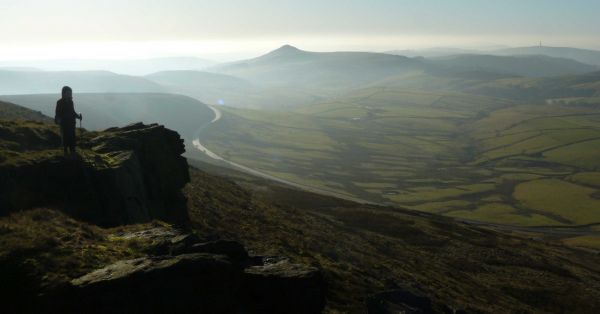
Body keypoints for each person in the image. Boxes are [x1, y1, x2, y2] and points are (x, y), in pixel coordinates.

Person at [55, 86, 82, 157]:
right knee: (65, 138)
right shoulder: (59, 102)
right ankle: (66, 152)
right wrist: (59, 120)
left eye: (70, 92)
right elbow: (57, 113)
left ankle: (72, 152)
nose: (70, 94)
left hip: (71, 123)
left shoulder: (71, 102)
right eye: (68, 92)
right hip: (64, 124)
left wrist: (78, 116)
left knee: (72, 137)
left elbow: (73, 112)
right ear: (64, 93)